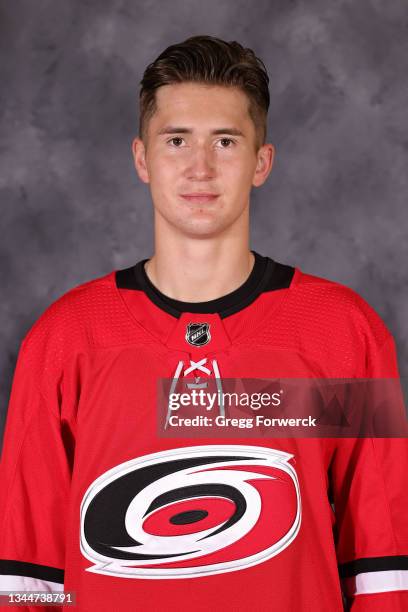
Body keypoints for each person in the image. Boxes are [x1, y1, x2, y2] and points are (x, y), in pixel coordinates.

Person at [0, 35, 407, 612]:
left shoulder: (345, 334)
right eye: (176, 140)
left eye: (225, 140)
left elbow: (382, 563)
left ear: (261, 162)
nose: (200, 166)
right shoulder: (66, 339)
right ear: (142, 158)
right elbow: (25, 573)